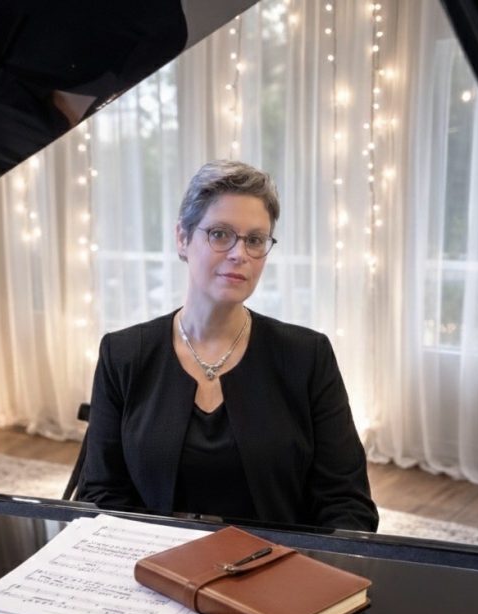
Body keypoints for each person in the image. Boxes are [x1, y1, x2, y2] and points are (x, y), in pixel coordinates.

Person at [78, 159, 379, 532]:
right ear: (182, 239)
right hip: (153, 570)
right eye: (220, 234)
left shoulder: (307, 356)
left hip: (274, 570)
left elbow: (346, 502)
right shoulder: (122, 354)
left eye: (255, 240)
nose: (240, 253)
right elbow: (100, 494)